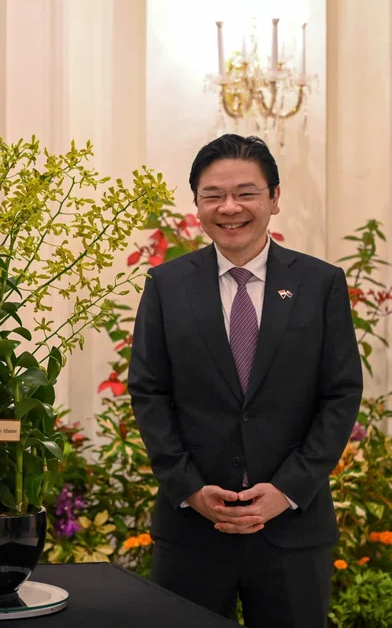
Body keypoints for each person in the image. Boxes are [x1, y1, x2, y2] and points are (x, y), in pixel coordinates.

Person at [128, 134, 362, 627]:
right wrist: (189, 488)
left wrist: (288, 489)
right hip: (192, 529)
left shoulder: (320, 284)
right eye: (213, 195)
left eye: (246, 192)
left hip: (292, 531)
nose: (229, 207)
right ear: (196, 204)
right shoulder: (166, 286)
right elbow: (150, 392)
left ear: (274, 198)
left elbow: (340, 394)